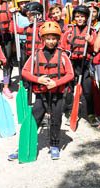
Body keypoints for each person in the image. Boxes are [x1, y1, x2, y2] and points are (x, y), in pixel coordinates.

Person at [18, 21, 74, 160]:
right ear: (42, 39)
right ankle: (25, 144)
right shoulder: (36, 55)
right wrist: (38, 80)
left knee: (56, 119)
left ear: (58, 39)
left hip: (58, 94)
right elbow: (25, 72)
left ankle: (54, 145)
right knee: (35, 118)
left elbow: (70, 74)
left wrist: (56, 82)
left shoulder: (63, 55)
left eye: (54, 38)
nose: (51, 41)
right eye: (48, 38)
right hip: (41, 94)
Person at [61, 5, 98, 126]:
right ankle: (71, 113)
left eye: (82, 16)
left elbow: (96, 48)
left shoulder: (91, 31)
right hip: (72, 63)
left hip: (85, 64)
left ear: (87, 17)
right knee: (69, 90)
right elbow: (62, 46)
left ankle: (91, 114)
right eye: (77, 16)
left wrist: (90, 41)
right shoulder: (70, 31)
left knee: (87, 91)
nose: (80, 18)